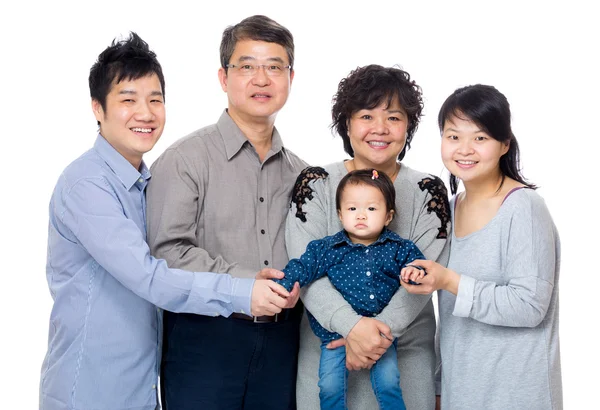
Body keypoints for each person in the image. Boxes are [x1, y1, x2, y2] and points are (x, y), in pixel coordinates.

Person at [39, 32, 293, 410]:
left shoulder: (141, 182)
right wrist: (243, 290)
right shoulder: (87, 185)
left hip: (142, 386)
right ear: (97, 108)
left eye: (155, 99)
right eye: (128, 100)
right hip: (91, 388)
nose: (145, 113)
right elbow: (150, 276)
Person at [146, 15, 306, 410]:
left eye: (274, 67)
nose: (262, 78)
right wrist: (248, 283)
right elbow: (166, 253)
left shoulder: (304, 174)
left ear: (291, 77)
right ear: (223, 77)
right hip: (205, 342)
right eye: (247, 66)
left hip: (285, 345)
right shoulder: (185, 160)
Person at [287, 64, 451, 410]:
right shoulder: (315, 183)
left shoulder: (427, 192)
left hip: (404, 360)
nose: (380, 129)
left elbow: (423, 279)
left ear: (409, 126)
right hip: (327, 355)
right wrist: (351, 328)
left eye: (394, 117)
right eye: (366, 116)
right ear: (346, 123)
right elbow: (307, 270)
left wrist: (370, 338)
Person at [401, 84, 562, 409]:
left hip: (517, 394)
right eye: (453, 136)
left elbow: (529, 306)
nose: (464, 149)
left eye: (480, 138)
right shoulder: (448, 209)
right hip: (461, 394)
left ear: (504, 144)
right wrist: (438, 386)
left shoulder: (524, 207)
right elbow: (449, 320)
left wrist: (449, 281)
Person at [275, 168, 424, 410]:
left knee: (388, 383)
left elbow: (421, 268)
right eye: (353, 209)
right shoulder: (327, 248)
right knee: (329, 387)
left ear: (388, 216)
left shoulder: (399, 248)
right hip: (336, 335)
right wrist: (283, 283)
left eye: (372, 209)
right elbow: (303, 267)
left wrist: (416, 273)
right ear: (340, 215)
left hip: (379, 333)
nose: (361, 215)